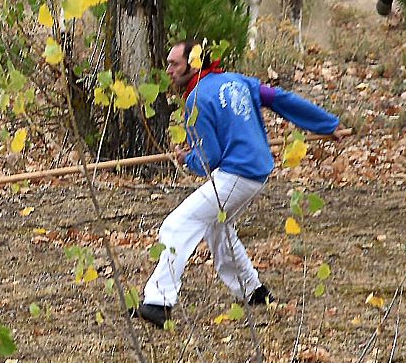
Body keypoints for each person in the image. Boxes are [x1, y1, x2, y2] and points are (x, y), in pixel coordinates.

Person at [131, 39, 352, 326]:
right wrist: (326, 124)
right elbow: (282, 99)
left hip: (237, 173)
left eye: (174, 63)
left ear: (194, 63)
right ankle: (255, 292)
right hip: (255, 172)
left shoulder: (195, 99)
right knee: (218, 229)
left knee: (177, 225)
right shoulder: (238, 81)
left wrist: (187, 159)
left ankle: (158, 303)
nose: (169, 70)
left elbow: (209, 158)